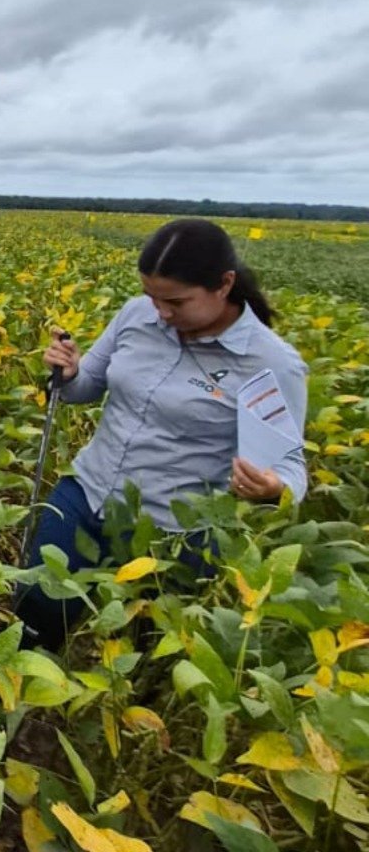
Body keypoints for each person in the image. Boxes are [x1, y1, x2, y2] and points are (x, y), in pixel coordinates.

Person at [17, 218, 309, 650]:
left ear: (224, 284)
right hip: (87, 492)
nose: (162, 313)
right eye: (153, 298)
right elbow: (83, 388)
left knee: (145, 645)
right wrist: (69, 370)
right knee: (36, 609)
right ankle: (5, 699)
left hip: (169, 531)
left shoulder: (270, 363)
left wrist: (272, 487)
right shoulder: (137, 315)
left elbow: (292, 466)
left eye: (176, 302)